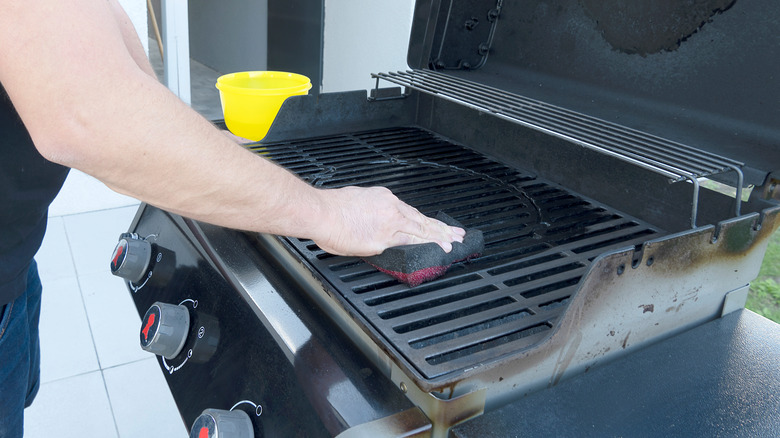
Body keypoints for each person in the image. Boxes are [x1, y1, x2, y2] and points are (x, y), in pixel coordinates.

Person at [0, 1, 465, 436]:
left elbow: (109, 61)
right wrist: (331, 214)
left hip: (13, 265)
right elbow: (90, 115)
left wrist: (212, 149)